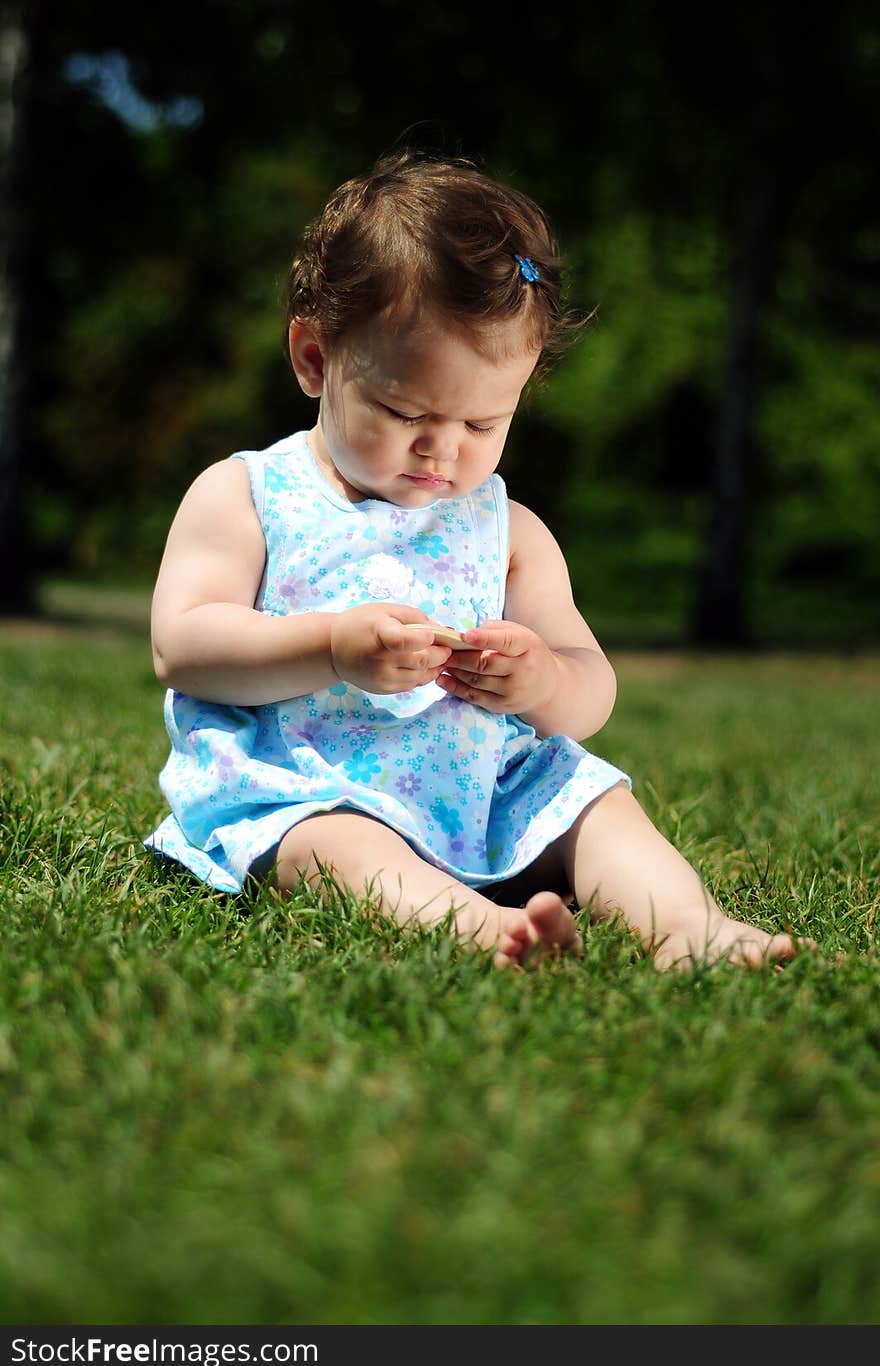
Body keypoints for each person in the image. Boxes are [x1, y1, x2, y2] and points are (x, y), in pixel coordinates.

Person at [146, 150, 812, 972]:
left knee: (596, 802)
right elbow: (183, 644)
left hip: (481, 790)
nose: (443, 448)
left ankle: (689, 926)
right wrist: (330, 648)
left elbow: (589, 681)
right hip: (305, 786)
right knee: (338, 850)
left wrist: (542, 682)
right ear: (316, 358)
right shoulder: (247, 494)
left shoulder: (510, 531)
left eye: (483, 423)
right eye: (405, 410)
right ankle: (476, 927)